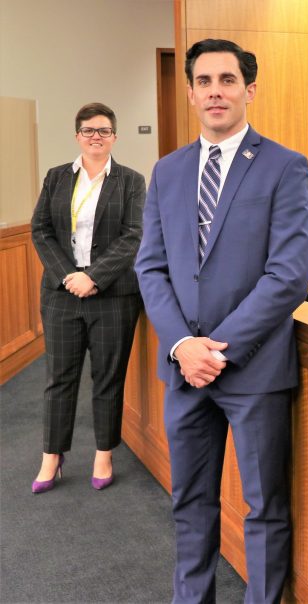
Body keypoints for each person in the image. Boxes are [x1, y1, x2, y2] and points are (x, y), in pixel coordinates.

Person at [135, 39, 308, 603]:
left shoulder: (284, 166)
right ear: (190, 93)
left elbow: (288, 275)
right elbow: (151, 265)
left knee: (263, 508)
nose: (216, 91)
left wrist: (219, 349)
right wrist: (184, 345)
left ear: (248, 90)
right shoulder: (166, 171)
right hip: (185, 371)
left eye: (227, 80)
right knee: (190, 502)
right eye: (205, 81)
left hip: (255, 370)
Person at [30, 102, 145, 494]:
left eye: (104, 130)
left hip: (114, 296)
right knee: (59, 378)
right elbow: (41, 229)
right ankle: (52, 455)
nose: (96, 137)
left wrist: (94, 277)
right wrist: (69, 276)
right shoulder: (57, 177)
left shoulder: (131, 181)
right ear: (77, 135)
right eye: (88, 130)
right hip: (62, 296)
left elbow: (133, 235)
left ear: (115, 136)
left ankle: (103, 453)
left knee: (107, 378)